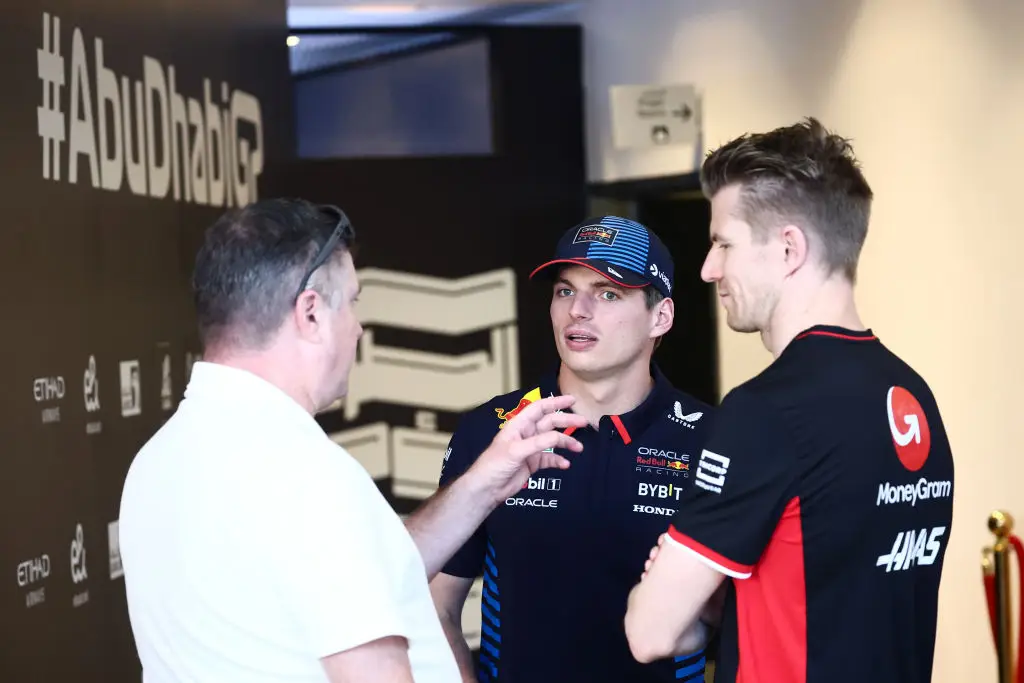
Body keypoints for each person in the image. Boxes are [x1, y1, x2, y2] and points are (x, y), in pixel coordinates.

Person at [117, 198, 588, 683]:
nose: (359, 327)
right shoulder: (304, 474)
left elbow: (368, 574)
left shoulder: (156, 462)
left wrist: (484, 483)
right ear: (311, 313)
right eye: (354, 301)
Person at [624, 118, 955, 683]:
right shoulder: (912, 393)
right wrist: (720, 591)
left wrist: (676, 587)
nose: (709, 269)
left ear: (788, 248)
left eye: (723, 243)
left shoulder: (768, 410)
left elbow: (650, 632)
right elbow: (834, 592)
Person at [429, 216, 716, 683]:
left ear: (659, 317)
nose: (578, 310)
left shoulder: (711, 439)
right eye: (565, 291)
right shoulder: (493, 432)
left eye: (607, 293)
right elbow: (435, 606)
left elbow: (754, 614)